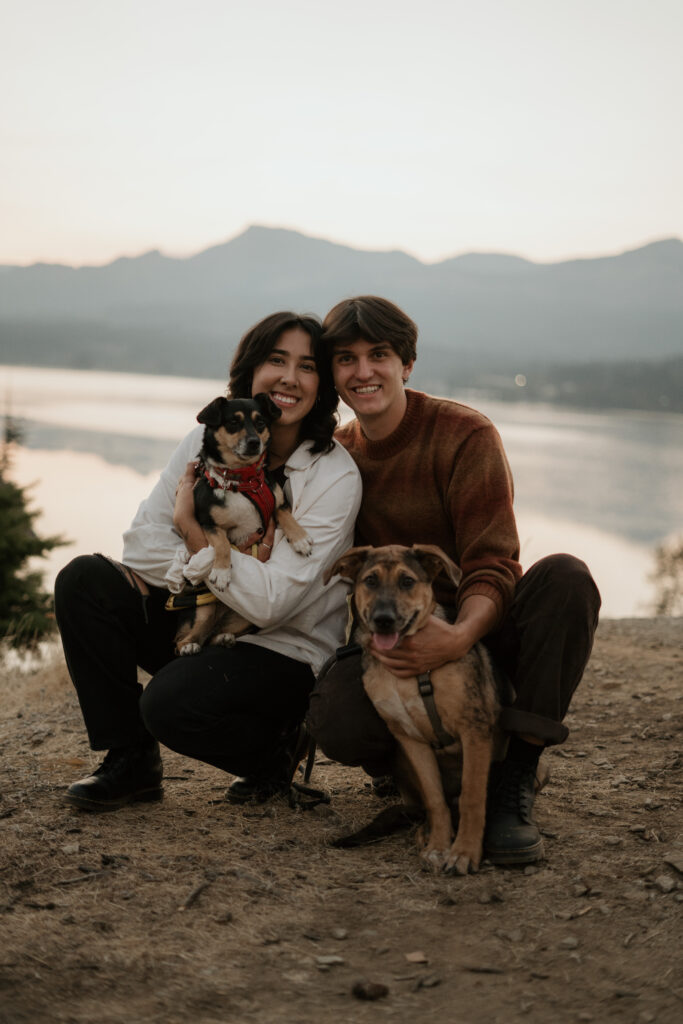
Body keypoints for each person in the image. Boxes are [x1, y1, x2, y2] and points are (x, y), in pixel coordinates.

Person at [307, 296, 601, 865]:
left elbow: (493, 562)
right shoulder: (337, 456)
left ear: (407, 364)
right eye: (346, 359)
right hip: (396, 629)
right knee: (336, 716)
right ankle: (411, 774)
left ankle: (515, 776)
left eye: (380, 355)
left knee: (566, 578)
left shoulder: (465, 434)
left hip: (478, 627)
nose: (363, 371)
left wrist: (461, 635)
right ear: (333, 373)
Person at [54, 312, 361, 811]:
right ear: (250, 371)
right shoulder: (205, 445)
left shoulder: (333, 476)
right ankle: (130, 763)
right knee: (85, 580)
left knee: (170, 704)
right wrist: (215, 564)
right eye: (276, 359)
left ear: (322, 383)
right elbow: (141, 545)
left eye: (307, 366)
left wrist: (194, 531)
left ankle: (273, 752)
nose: (289, 377)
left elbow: (272, 603)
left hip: (283, 650)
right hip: (202, 615)